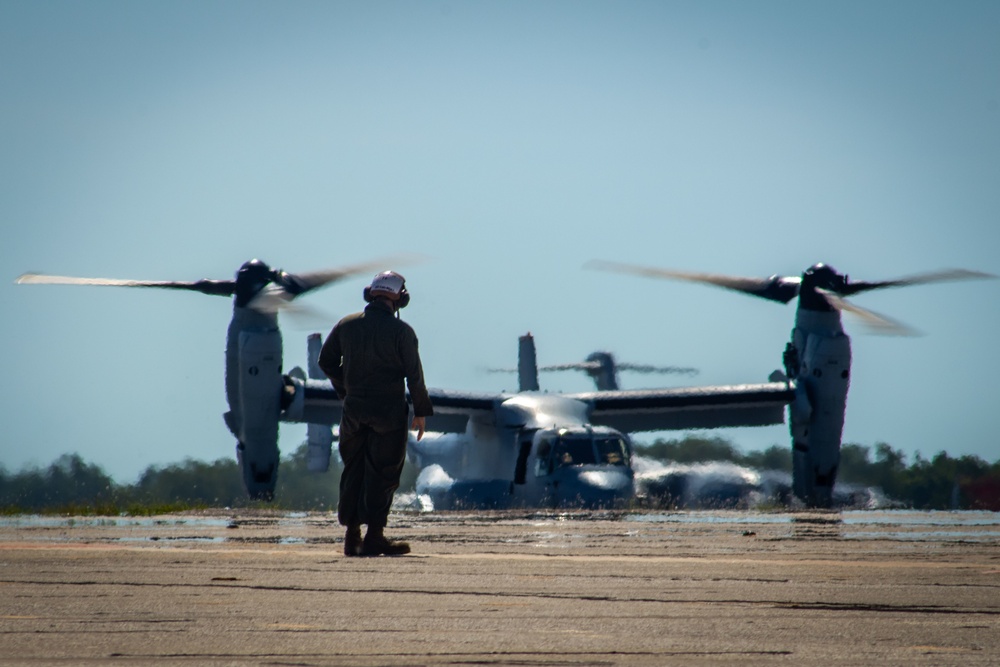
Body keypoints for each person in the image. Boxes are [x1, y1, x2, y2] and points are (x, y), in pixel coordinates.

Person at [318, 270, 433, 557]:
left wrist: (347, 387)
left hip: (353, 411)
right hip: (388, 412)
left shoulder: (346, 325)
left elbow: (326, 361)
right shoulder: (402, 332)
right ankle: (375, 537)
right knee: (383, 474)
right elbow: (414, 377)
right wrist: (421, 411)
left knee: (353, 470)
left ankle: (352, 536)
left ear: (370, 293)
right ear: (400, 298)